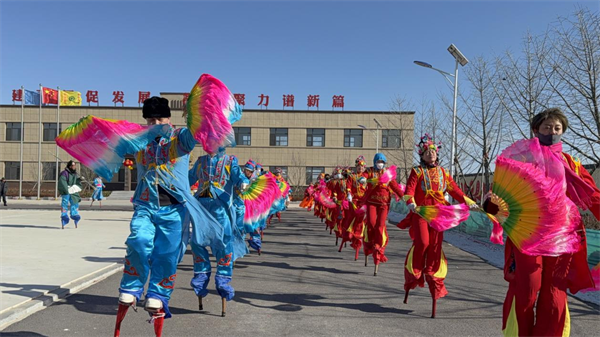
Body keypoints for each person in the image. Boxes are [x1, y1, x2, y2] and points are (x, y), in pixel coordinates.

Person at [485, 108, 600, 336]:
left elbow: (592, 194)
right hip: (528, 233)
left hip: (561, 235)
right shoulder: (522, 158)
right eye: (547, 127)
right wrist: (490, 200)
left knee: (554, 293)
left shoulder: (570, 163)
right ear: (536, 129)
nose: (552, 132)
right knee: (527, 288)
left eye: (557, 128)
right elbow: (502, 189)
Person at [114, 97, 218, 336]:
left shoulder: (179, 138)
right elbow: (118, 142)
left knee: (167, 254)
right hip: (145, 205)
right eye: (150, 119)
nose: (156, 122)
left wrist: (199, 110)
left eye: (160, 118)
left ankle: (158, 293)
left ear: (168, 118)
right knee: (138, 240)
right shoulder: (140, 141)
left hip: (174, 208)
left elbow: (195, 132)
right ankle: (132, 287)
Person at [400, 134, 478, 318]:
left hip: (439, 215)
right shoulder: (417, 171)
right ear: (422, 154)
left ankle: (433, 274)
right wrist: (410, 202)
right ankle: (416, 271)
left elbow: (454, 190)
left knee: (435, 247)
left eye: (433, 152)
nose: (431, 155)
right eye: (427, 152)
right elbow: (408, 191)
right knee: (423, 243)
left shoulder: (443, 173)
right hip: (421, 213)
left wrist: (468, 201)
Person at [188, 148, 247, 317]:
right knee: (196, 242)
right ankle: (201, 275)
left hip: (220, 207)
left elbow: (238, 176)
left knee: (223, 242)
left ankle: (223, 279)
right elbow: (189, 177)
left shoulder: (229, 161)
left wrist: (243, 181)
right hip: (201, 206)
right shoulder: (200, 162)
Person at [362, 153, 404, 275]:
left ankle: (378, 246)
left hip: (384, 204)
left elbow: (395, 186)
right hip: (371, 203)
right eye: (378, 161)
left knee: (380, 226)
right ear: (375, 162)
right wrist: (363, 179)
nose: (380, 163)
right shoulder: (370, 171)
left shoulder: (388, 174)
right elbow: (363, 176)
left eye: (382, 161)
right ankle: (369, 242)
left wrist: (404, 197)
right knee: (370, 223)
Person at [339, 156, 369, 260]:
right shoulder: (352, 176)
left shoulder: (367, 176)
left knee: (362, 221)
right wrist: (349, 194)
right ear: (356, 167)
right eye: (359, 166)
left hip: (364, 203)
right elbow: (348, 187)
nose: (360, 168)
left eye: (362, 166)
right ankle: (350, 234)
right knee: (352, 218)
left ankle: (359, 237)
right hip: (354, 202)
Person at [57, 160, 82, 229]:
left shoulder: (75, 174)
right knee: (64, 203)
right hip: (67, 190)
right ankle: (64, 216)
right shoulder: (64, 173)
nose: (74, 167)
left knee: (75, 202)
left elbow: (76, 181)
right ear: (70, 166)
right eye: (73, 166)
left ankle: (75, 215)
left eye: (75, 166)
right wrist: (66, 190)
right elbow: (62, 182)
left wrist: (79, 179)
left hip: (73, 190)